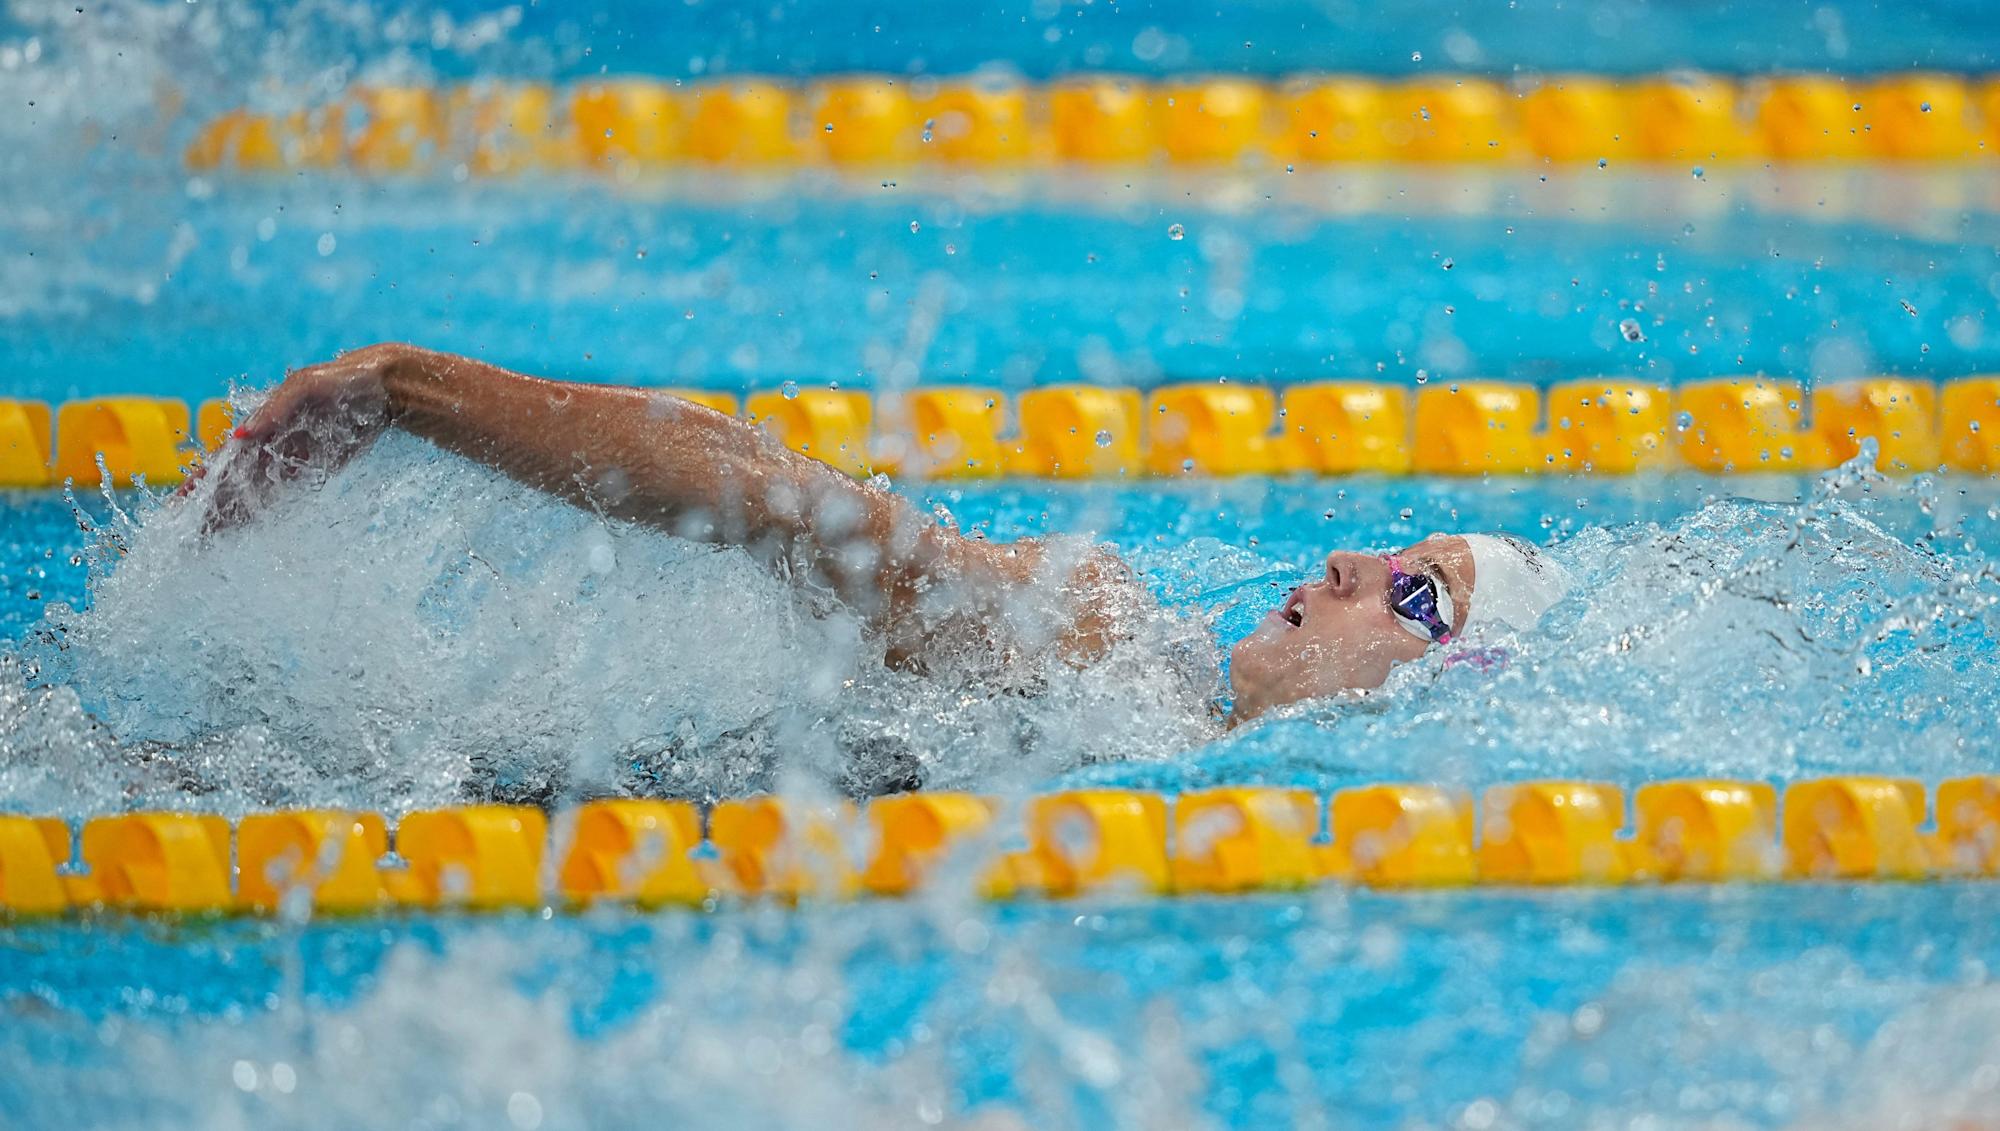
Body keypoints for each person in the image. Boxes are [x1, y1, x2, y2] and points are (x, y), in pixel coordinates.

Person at [190, 342, 1570, 728]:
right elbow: (805, 511)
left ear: (1434, 694)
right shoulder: (1097, 635)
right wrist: (411, 393)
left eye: (1419, 593)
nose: (1348, 563)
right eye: (1400, 545)